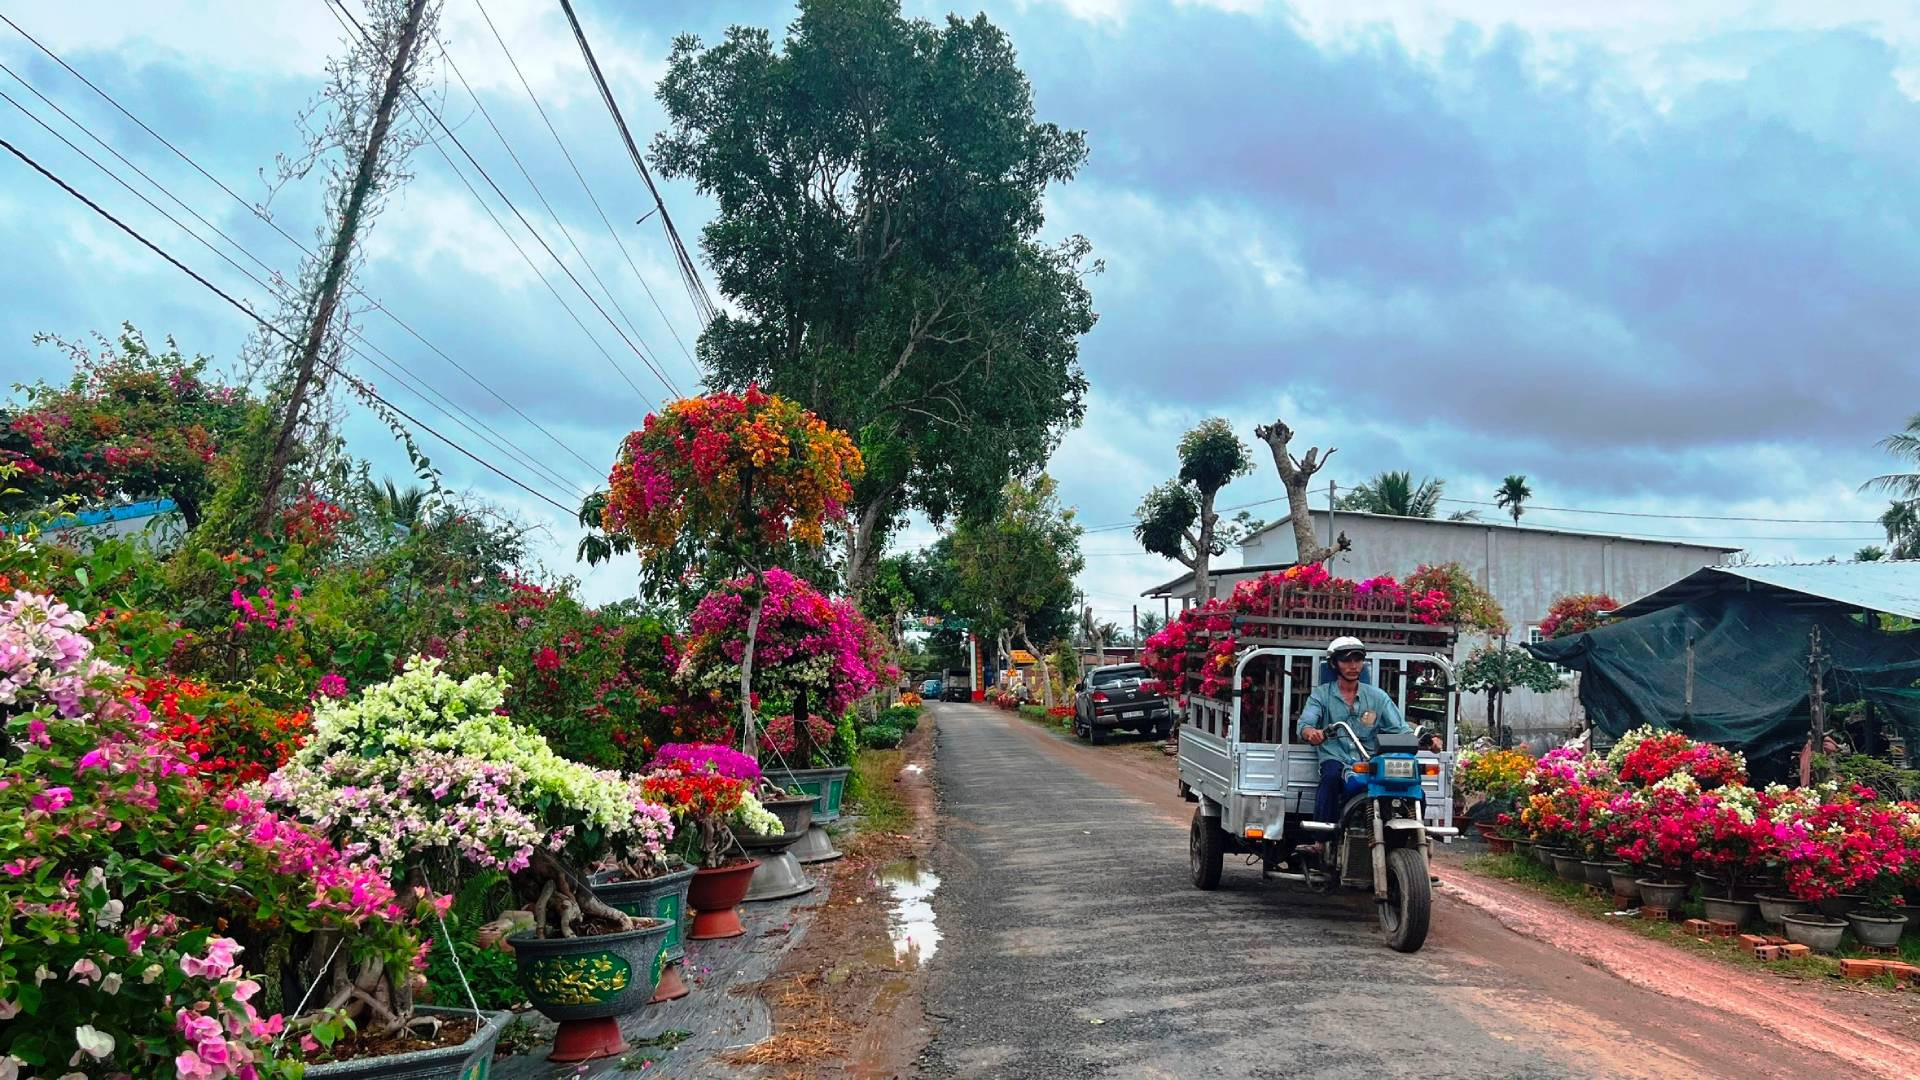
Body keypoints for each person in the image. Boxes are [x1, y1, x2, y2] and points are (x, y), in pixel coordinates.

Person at [1297, 637, 1442, 837]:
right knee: (1330, 777)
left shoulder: (1377, 697)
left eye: (1357, 660)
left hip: (1370, 760)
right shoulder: (1321, 695)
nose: (1353, 666)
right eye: (1346, 661)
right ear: (1334, 664)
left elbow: (1399, 728)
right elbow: (1305, 724)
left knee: (1412, 789)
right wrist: (1312, 733)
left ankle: (1413, 838)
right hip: (1336, 758)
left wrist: (1427, 740)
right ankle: (1321, 842)